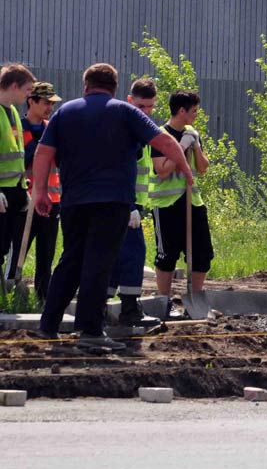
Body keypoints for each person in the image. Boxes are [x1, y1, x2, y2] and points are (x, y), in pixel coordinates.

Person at [34, 64, 191, 351]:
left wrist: (40, 192)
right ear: (114, 88)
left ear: (86, 86)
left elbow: (44, 153)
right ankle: (90, 330)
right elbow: (165, 141)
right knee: (99, 263)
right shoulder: (125, 111)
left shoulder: (65, 112)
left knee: (70, 260)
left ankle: (48, 325)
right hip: (112, 202)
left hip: (73, 202)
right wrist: (187, 171)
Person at [149, 89, 214, 315]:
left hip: (192, 202)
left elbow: (203, 168)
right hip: (168, 204)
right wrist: (182, 146)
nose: (197, 114)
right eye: (194, 111)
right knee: (167, 255)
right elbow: (163, 170)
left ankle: (194, 300)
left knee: (202, 253)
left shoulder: (192, 133)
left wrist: (195, 145)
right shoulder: (159, 135)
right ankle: (164, 302)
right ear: (181, 111)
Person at [107, 78, 162, 327]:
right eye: (141, 106)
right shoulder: (125, 128)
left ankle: (103, 306)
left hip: (132, 204)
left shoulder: (143, 127)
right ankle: (128, 309)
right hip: (123, 204)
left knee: (116, 255)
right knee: (131, 254)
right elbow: (120, 169)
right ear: (130, 101)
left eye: (150, 107)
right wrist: (130, 206)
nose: (146, 112)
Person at [11, 82, 62, 301]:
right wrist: (44, 145)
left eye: (52, 103)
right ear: (31, 101)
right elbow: (24, 159)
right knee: (17, 250)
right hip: (24, 200)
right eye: (45, 102)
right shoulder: (16, 129)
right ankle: (12, 292)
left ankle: (43, 298)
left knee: (46, 253)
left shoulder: (53, 128)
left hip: (51, 200)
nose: (49, 107)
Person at [0, 63, 35, 284]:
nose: (28, 95)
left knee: (4, 245)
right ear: (14, 85)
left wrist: (23, 189)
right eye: (27, 90)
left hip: (14, 190)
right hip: (2, 191)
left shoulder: (11, 111)